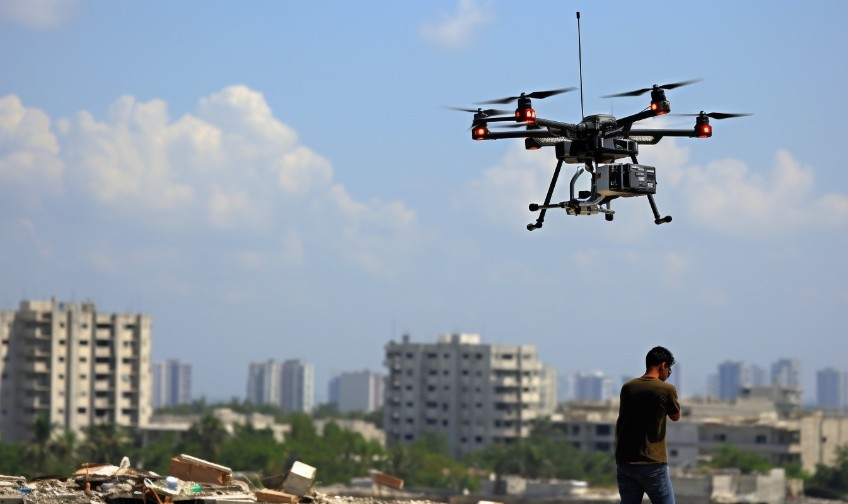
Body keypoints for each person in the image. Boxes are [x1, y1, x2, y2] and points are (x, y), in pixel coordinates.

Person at [615, 346, 681, 504]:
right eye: (668, 369)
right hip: (651, 461)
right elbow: (675, 416)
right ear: (663, 366)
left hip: (625, 461)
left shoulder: (628, 387)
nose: (668, 373)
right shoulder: (666, 389)